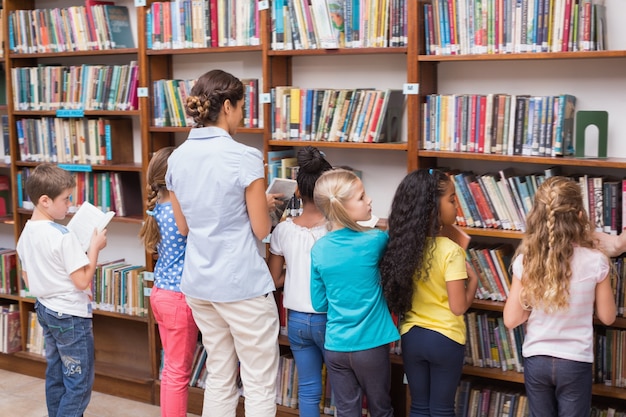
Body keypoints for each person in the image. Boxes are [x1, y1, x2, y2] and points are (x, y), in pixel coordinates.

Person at [165, 69, 279, 417]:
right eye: (242, 108)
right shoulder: (244, 156)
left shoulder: (177, 157)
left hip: (199, 284)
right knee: (259, 382)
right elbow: (261, 230)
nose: (243, 117)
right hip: (240, 283)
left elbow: (183, 227)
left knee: (219, 373)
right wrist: (270, 209)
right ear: (227, 106)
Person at [503, 176, 616, 417]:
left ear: (537, 216)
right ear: (580, 216)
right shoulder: (596, 261)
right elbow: (607, 317)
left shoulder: (526, 261)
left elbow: (512, 320)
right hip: (575, 362)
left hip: (537, 360)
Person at [379, 168, 478, 417]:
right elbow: (458, 307)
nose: (456, 206)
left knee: (420, 407)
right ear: (433, 208)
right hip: (445, 339)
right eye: (452, 200)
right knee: (443, 408)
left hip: (412, 338)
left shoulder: (402, 247)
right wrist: (473, 281)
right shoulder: (451, 251)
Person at [16, 163, 108, 417]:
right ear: (45, 200)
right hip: (70, 315)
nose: (70, 205)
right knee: (78, 383)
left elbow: (27, 278)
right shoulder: (62, 235)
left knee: (56, 374)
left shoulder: (27, 232)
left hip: (45, 309)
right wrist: (95, 248)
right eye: (66, 199)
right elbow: (82, 281)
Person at [310, 168, 399, 417]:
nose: (369, 200)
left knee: (347, 411)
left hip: (336, 346)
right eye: (361, 197)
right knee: (381, 409)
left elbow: (319, 303)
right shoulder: (374, 240)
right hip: (371, 346)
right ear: (341, 208)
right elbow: (397, 233)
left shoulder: (319, 249)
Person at [268, 146, 333, 417]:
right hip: (329, 319)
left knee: (308, 388)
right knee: (342, 386)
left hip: (295, 320)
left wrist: (293, 276)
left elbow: (274, 278)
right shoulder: (335, 229)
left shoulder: (283, 230)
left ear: (297, 191)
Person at [139, 146, 198, 417]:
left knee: (170, 369)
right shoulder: (180, 214)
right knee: (178, 373)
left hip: (162, 293)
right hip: (178, 299)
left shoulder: (158, 210)